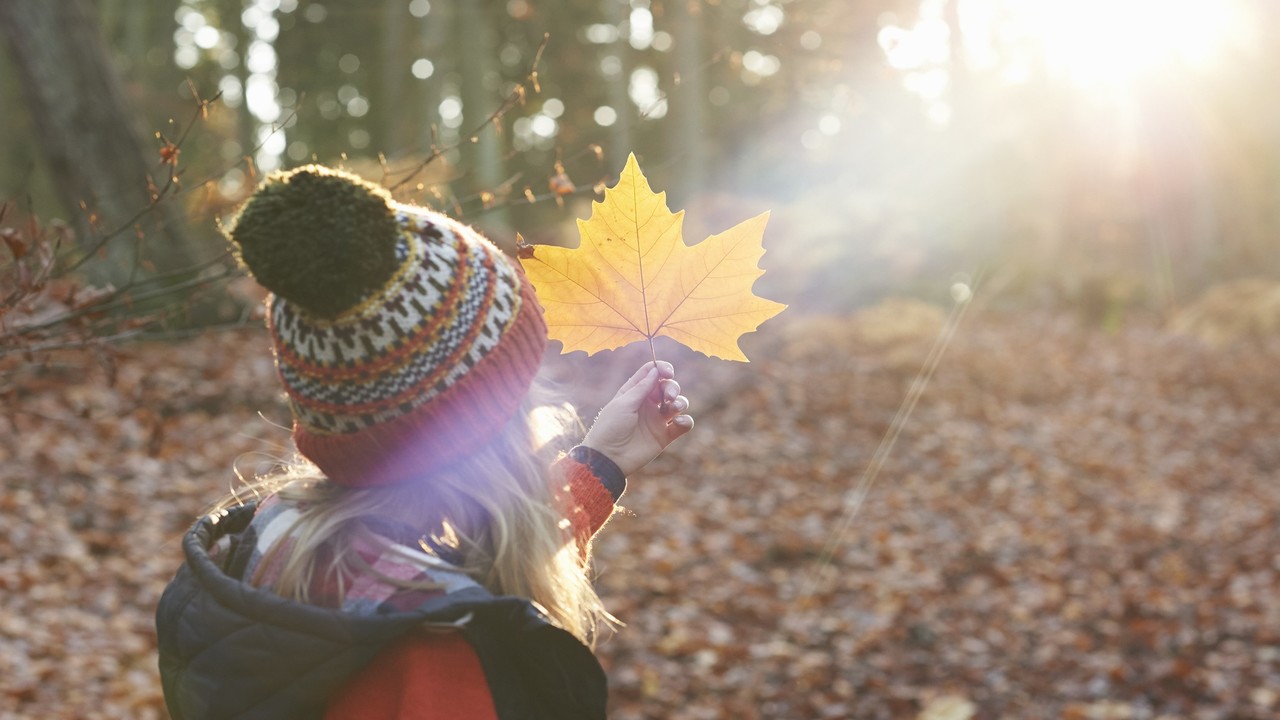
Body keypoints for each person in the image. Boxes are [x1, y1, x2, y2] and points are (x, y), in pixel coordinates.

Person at [155, 165, 693, 720]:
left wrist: (598, 467)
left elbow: (451, 561)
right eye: (523, 375)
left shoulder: (271, 545)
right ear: (486, 424)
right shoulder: (439, 665)